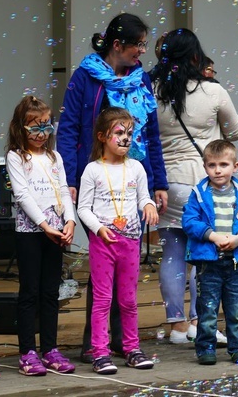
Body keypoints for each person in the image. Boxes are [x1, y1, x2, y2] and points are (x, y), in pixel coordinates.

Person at [57, 13, 168, 363]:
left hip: (134, 179)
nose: (142, 53)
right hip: (98, 178)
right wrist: (70, 180)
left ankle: (125, 342)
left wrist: (158, 182)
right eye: (138, 46)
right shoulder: (86, 77)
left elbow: (150, 134)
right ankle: (97, 344)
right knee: (103, 265)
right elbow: (69, 129)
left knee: (127, 267)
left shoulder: (141, 80)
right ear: (118, 45)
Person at [150, 28, 238, 344]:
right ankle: (199, 322)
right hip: (205, 184)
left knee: (173, 254)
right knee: (205, 255)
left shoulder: (151, 90)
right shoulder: (212, 91)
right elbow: (236, 131)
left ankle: (176, 327)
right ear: (194, 57)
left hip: (167, 183)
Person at [77, 108, 158, 374]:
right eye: (119, 133)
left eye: (130, 134)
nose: (125, 139)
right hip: (104, 244)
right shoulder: (92, 170)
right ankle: (100, 352)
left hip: (130, 243)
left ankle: (131, 348)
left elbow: (143, 197)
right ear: (102, 136)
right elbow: (83, 208)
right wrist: (98, 229)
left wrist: (149, 205)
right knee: (102, 299)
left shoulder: (136, 168)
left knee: (128, 300)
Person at [5, 96, 76, 376]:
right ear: (20, 128)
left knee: (50, 292)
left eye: (46, 126)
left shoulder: (54, 156)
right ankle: (27, 352)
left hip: (56, 232)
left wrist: (69, 221)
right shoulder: (16, 156)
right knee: (30, 292)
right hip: (32, 233)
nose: (41, 133)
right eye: (35, 127)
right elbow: (21, 194)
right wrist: (45, 225)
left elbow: (64, 188)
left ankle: (50, 349)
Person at [181, 140, 238, 365]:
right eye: (212, 165)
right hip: (208, 262)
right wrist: (212, 236)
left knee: (236, 309)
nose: (218, 170)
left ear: (235, 166)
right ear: (205, 167)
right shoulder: (198, 193)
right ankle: (206, 348)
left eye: (223, 164)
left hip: (236, 261)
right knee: (207, 309)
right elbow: (189, 221)